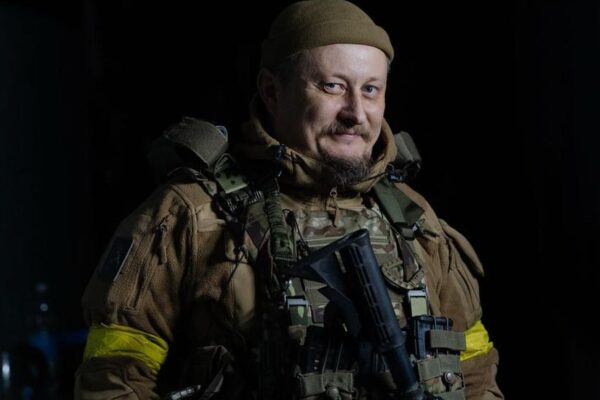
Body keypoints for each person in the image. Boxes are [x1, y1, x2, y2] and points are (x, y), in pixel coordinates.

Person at [75, 1, 503, 399]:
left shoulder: (411, 216)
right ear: (272, 91)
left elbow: (476, 373)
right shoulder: (192, 215)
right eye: (333, 86)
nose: (356, 112)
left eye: (371, 89)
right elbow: (115, 379)